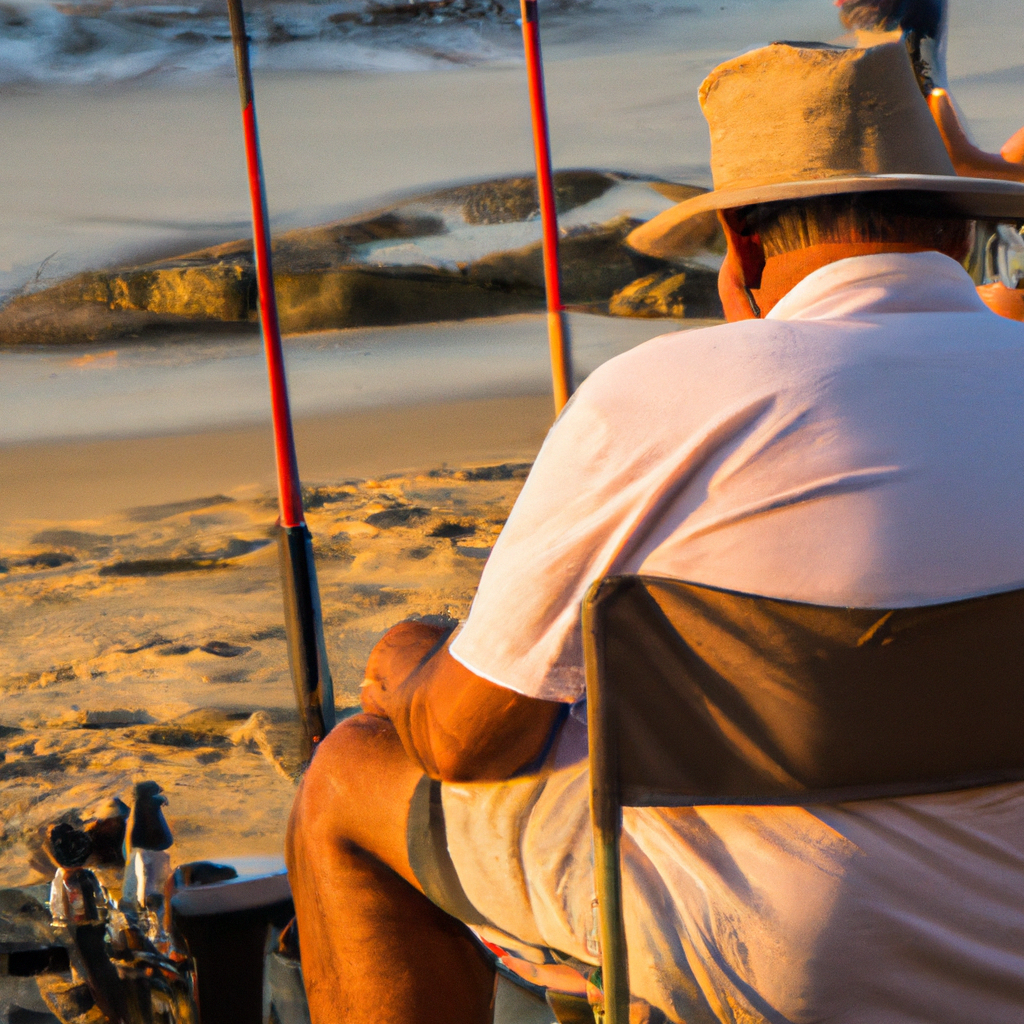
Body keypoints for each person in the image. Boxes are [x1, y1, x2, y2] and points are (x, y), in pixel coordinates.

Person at [287, 40, 1024, 1023]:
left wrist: (410, 670)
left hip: (763, 956)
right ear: (960, 238)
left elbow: (469, 744)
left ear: (744, 247)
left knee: (349, 776)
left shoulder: (663, 394)